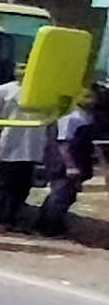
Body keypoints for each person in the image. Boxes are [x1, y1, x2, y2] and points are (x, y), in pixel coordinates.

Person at [0, 72, 48, 230]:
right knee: (1, 184)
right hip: (7, 143)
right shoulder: (1, 91)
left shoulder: (44, 93)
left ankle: (12, 218)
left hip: (32, 145)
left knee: (23, 184)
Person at [38, 87, 103, 237]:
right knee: (60, 195)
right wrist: (70, 166)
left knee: (67, 194)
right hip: (62, 163)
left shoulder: (85, 116)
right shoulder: (71, 117)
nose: (91, 100)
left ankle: (49, 224)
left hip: (79, 160)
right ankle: (50, 228)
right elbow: (63, 143)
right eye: (86, 97)